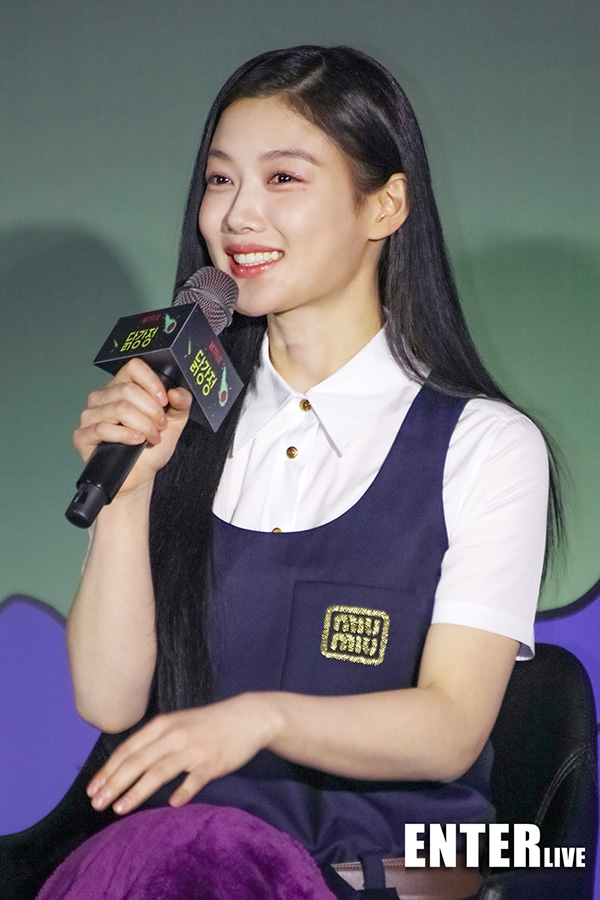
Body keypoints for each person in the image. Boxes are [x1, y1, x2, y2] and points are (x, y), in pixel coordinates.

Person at [62, 45, 554, 900]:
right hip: (191, 869)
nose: (238, 215)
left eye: (282, 178)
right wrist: (128, 500)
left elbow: (450, 728)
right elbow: (109, 703)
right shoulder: (184, 417)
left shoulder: (484, 445)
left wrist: (261, 720)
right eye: (220, 180)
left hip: (379, 877)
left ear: (385, 204)